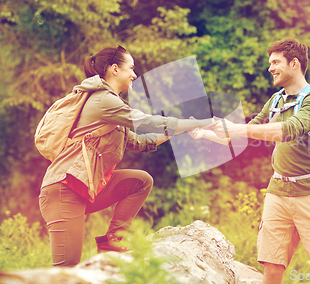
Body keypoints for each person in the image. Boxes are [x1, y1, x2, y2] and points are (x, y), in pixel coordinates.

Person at [189, 38, 310, 283]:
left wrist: (238, 129)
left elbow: (288, 130)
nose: (270, 68)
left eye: (276, 62)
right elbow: (243, 136)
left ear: (294, 63)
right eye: (270, 63)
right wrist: (205, 132)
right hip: (278, 192)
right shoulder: (276, 101)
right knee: (272, 266)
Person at [38, 45, 215, 267]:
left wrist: (180, 128)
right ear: (114, 69)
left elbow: (140, 142)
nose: (134, 74)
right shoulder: (103, 101)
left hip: (85, 188)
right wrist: (200, 121)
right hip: (64, 189)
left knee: (140, 181)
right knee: (66, 268)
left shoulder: (112, 106)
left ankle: (112, 241)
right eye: (130, 68)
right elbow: (148, 121)